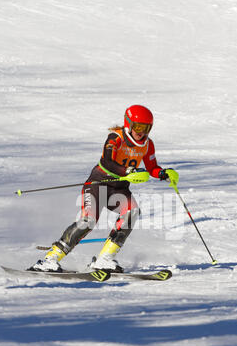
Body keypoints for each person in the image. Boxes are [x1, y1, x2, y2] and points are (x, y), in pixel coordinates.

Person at [29, 105, 177, 273]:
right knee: (88, 221)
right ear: (128, 123)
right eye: (138, 127)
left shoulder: (148, 144)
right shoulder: (116, 138)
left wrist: (163, 173)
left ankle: (104, 259)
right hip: (98, 184)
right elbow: (107, 162)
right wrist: (127, 171)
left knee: (132, 212)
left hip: (119, 189)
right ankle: (50, 259)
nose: (141, 132)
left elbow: (152, 168)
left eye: (146, 128)